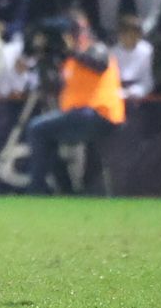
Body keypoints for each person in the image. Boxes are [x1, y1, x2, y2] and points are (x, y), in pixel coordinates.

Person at [22, 20, 124, 195]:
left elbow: (99, 64)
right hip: (78, 115)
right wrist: (43, 57)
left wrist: (71, 51)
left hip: (98, 113)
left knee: (36, 129)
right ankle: (67, 190)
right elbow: (52, 86)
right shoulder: (68, 62)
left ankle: (36, 189)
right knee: (45, 136)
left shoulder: (95, 48)